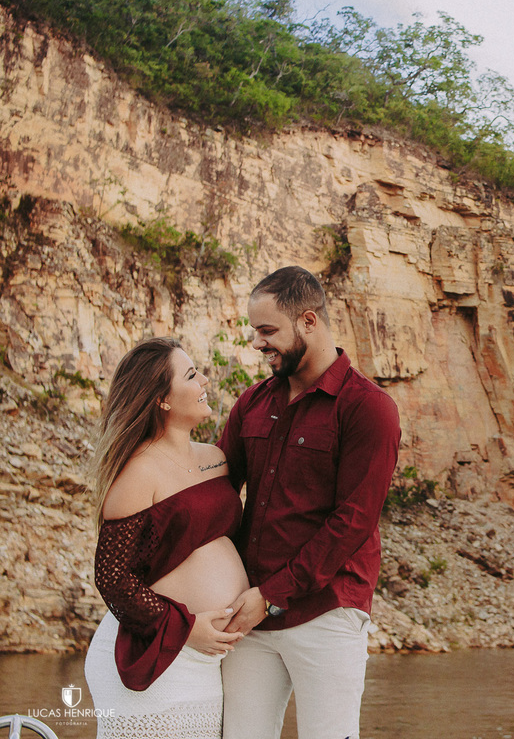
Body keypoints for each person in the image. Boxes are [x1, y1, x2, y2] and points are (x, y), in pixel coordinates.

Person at [219, 266, 401, 739]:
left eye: (267, 331)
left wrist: (271, 596)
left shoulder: (369, 407)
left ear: (307, 322)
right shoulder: (252, 403)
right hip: (250, 616)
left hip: (328, 612)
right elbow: (217, 496)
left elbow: (353, 522)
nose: (257, 343)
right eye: (255, 332)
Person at [84, 337, 247, 739]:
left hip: (207, 663)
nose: (205, 380)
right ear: (162, 400)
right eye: (191, 375)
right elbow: (112, 578)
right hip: (160, 651)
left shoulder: (215, 458)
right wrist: (187, 628)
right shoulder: (138, 471)